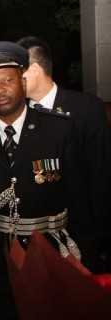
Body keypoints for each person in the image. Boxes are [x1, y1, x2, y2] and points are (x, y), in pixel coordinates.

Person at [0, 41, 81, 319]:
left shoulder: (59, 128)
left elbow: (80, 194)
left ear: (22, 79)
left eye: (6, 80)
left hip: (52, 250)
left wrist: (87, 249)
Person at [17, 36, 111, 272]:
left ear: (36, 69)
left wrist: (99, 239)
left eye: (20, 72)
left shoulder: (86, 109)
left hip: (83, 236)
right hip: (35, 240)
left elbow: (101, 173)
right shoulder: (17, 116)